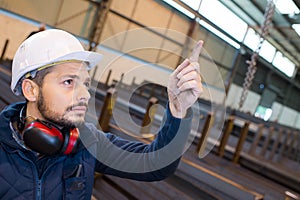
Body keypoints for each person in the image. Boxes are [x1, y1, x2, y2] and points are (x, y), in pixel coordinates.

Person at [0, 29, 203, 199]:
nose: (85, 95)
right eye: (69, 82)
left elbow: (155, 164)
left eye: (86, 84)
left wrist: (178, 109)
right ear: (31, 90)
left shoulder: (87, 143)